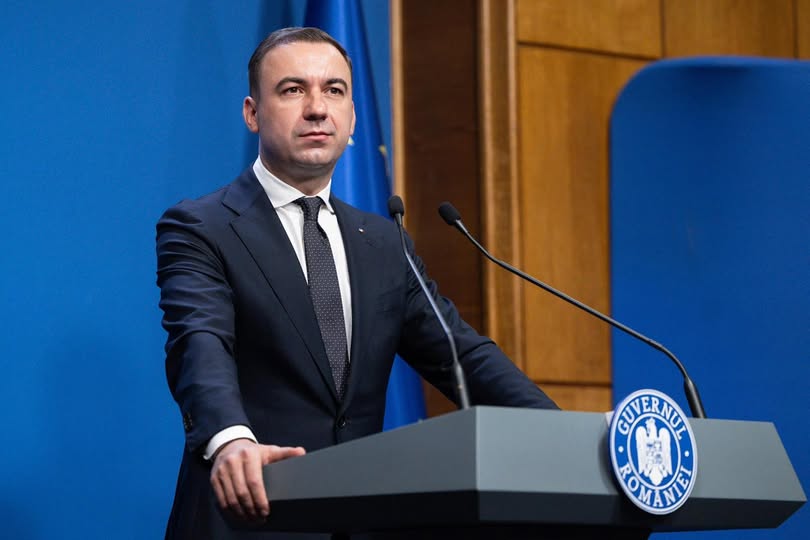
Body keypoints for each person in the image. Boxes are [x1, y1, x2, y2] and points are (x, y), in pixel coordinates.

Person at [156, 27, 558, 540]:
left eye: (334, 90)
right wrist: (231, 440)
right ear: (252, 113)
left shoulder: (383, 242)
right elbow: (200, 344)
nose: (317, 108)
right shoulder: (202, 227)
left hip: (359, 518)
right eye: (293, 89)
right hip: (249, 513)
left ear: (352, 118)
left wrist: (563, 434)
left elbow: (462, 356)